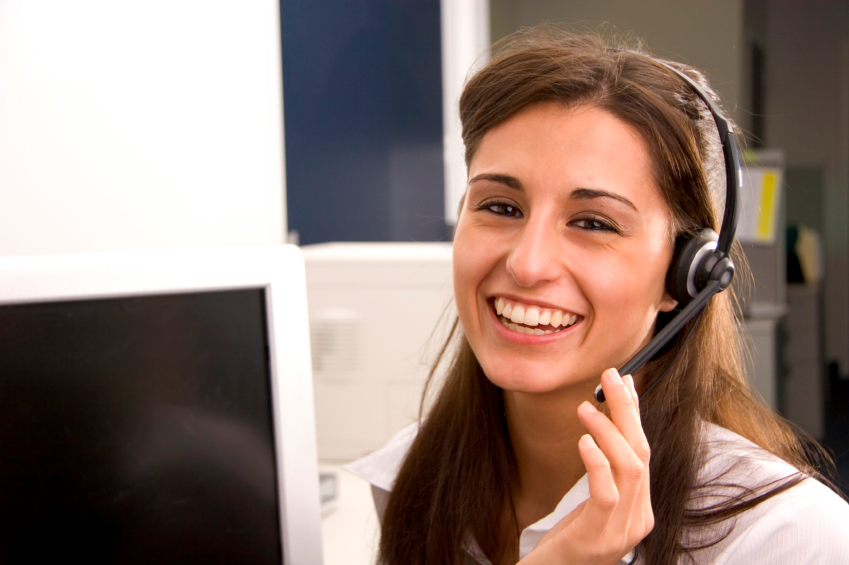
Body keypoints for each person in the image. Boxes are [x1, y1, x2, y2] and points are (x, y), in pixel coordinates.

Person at [347, 28, 849, 565]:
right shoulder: (412, 478)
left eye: (593, 222)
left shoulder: (784, 537)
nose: (526, 263)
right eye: (500, 207)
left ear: (684, 277)